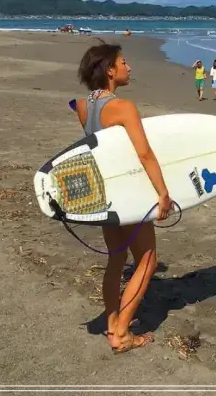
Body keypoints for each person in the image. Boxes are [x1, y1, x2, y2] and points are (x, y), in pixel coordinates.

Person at [71, 39, 174, 354]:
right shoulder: (123, 107)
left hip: (104, 192)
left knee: (117, 259)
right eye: (124, 62)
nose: (129, 67)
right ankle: (122, 332)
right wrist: (163, 192)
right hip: (127, 195)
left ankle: (112, 321)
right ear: (110, 70)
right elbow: (143, 153)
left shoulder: (84, 106)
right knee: (147, 259)